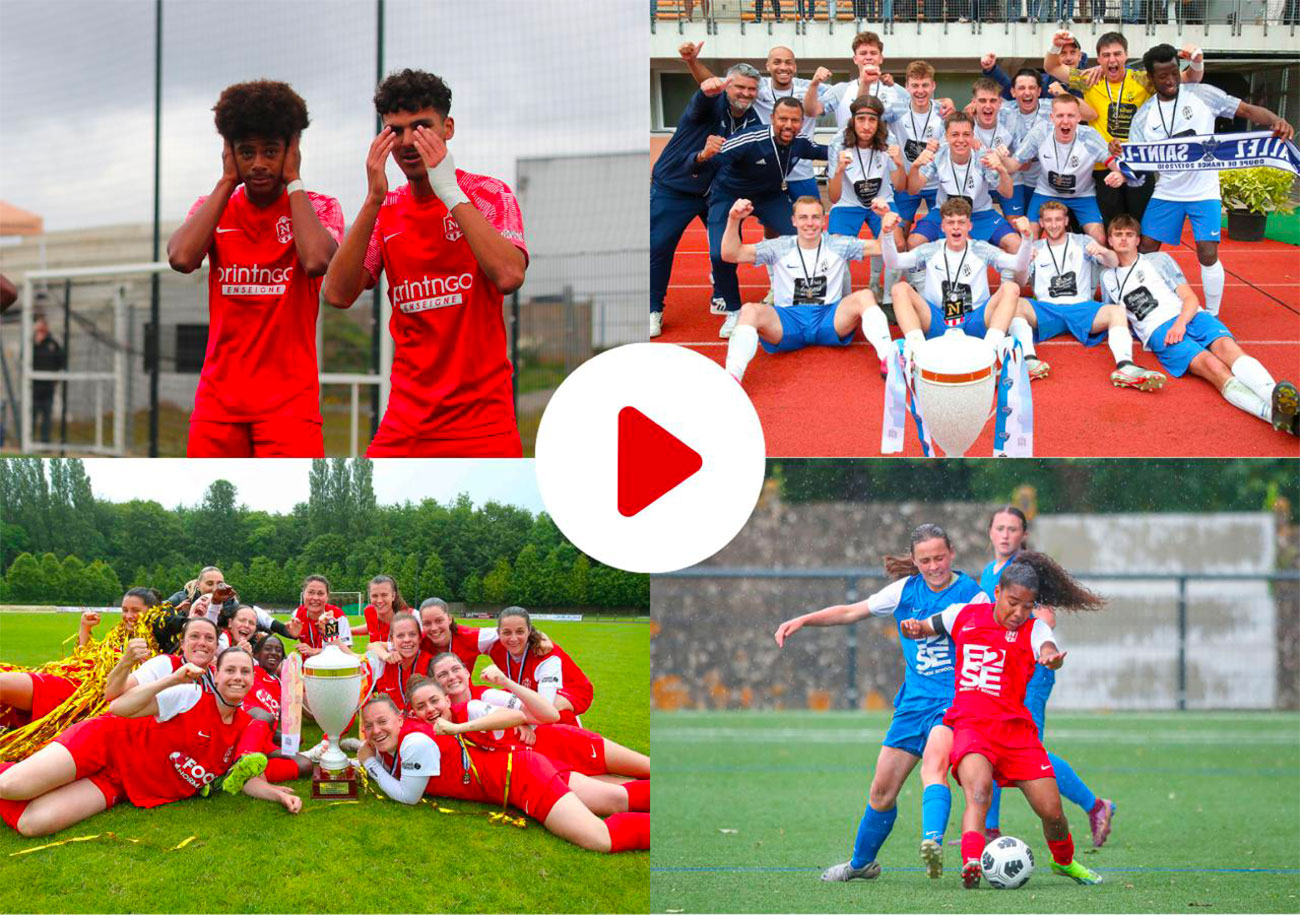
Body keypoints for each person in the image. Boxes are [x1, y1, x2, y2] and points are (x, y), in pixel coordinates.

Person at [322, 69, 528, 458]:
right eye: (394, 130)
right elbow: (336, 294)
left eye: (421, 127)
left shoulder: (487, 194)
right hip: (405, 423)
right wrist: (372, 200)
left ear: (447, 127)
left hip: (482, 424)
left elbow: (508, 274)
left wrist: (448, 190)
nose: (407, 142)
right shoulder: (387, 210)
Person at [773, 523, 987, 882]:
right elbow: (849, 612)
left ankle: (932, 841)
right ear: (915, 561)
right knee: (881, 791)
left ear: (952, 553)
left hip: (953, 704)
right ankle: (861, 864)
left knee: (933, 763)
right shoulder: (905, 590)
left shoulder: (974, 597)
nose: (934, 566)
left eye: (939, 558)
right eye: (925, 561)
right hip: (912, 705)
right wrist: (804, 620)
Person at [900, 552, 1107, 888]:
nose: (1019, 613)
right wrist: (914, 628)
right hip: (970, 726)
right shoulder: (963, 615)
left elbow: (1046, 645)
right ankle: (971, 862)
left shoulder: (1033, 628)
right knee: (979, 792)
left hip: (1016, 734)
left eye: (1027, 606)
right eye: (1013, 602)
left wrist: (1050, 658)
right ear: (997, 593)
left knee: (1052, 813)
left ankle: (1064, 862)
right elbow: (927, 626)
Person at [166, 80, 343, 458]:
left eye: (271, 151)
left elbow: (316, 262)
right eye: (246, 152)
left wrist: (294, 179)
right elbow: (181, 257)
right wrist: (227, 180)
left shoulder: (320, 207)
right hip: (218, 407)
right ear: (230, 153)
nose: (259, 163)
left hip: (290, 408)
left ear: (291, 151)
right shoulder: (213, 206)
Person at [0, 647, 299, 837]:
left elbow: (247, 780)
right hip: (104, 741)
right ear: (215, 675)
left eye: (245, 671)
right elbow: (118, 708)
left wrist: (278, 796)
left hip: (121, 782)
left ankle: (20, 771)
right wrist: (172, 680)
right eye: (230, 670)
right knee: (10, 787)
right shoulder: (190, 695)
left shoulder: (247, 725)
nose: (238, 677)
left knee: (33, 823)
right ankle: (15, 773)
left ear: (252, 679)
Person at [978, 508, 1117, 848]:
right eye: (1000, 528)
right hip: (1002, 672)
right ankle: (989, 829)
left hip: (1032, 675)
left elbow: (1046, 619)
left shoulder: (1026, 572)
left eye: (1013, 529)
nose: (1006, 534)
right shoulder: (989, 572)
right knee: (989, 743)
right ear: (990, 533)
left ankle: (1096, 805)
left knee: (1029, 753)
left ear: (1023, 534)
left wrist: (1040, 648)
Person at [357, 695, 650, 852]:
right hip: (518, 769)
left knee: (598, 838)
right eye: (368, 726)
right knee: (615, 798)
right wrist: (357, 749)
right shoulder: (398, 736)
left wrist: (369, 764)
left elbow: (407, 796)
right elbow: (383, 753)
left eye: (381, 722)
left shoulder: (415, 742)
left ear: (399, 718)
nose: (375, 731)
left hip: (522, 778)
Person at [1129, 43, 1295, 317]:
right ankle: (1153, 303)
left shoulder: (1203, 95)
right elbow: (1136, 164)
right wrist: (1121, 163)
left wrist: (1276, 120)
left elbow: (1247, 111)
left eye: (1174, 72)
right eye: (1162, 76)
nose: (1170, 80)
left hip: (1204, 192)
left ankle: (1213, 313)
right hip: (1167, 192)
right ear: (1151, 77)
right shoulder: (1144, 116)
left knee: (1207, 252)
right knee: (1146, 248)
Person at [1100, 216, 1299, 435]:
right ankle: (1277, 416)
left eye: (1129, 235)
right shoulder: (1107, 277)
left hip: (1191, 316)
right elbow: (1114, 316)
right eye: (1118, 235)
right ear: (1109, 240)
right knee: (1212, 367)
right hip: (1158, 331)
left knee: (1228, 349)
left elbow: (1190, 298)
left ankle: (1275, 396)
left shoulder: (1159, 260)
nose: (1123, 240)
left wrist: (1180, 324)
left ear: (1138, 240)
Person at [690, 97, 829, 338]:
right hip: (729, 196)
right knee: (719, 252)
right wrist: (701, 156)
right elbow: (712, 159)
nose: (789, 124)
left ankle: (789, 293)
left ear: (801, 122)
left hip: (768, 196)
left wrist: (862, 145)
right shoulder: (750, 138)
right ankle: (733, 310)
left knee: (800, 236)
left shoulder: (801, 142)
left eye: (795, 120)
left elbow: (827, 151)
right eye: (783, 119)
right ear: (772, 118)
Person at [719, 195, 890, 384]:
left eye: (815, 217)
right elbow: (730, 254)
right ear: (793, 221)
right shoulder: (779, 246)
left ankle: (888, 359)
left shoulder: (838, 244)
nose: (810, 223)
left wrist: (885, 219)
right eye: (803, 217)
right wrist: (733, 219)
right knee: (750, 310)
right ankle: (732, 376)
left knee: (865, 296)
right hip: (788, 320)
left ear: (823, 220)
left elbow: (881, 247)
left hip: (829, 318)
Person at [652, 51, 763, 337]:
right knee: (658, 248)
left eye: (752, 89)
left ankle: (729, 306)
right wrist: (699, 78)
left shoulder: (752, 121)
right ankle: (653, 308)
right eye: (740, 87)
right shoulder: (710, 105)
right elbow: (703, 97)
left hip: (715, 193)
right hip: (675, 186)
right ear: (728, 87)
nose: (746, 93)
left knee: (723, 251)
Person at [1042, 31, 1204, 224]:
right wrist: (1055, 46)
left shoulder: (1143, 79)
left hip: (1138, 163)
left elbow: (1190, 78)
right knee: (1112, 226)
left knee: (1140, 224)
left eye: (1117, 54)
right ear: (1099, 59)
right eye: (1106, 55)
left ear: (1126, 55)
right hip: (1104, 165)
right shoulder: (1090, 79)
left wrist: (1197, 60)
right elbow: (1051, 66)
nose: (1112, 60)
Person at [1011, 200, 1166, 390]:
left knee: (1116, 312)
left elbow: (1113, 262)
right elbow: (1019, 281)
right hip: (1047, 308)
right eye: (1048, 220)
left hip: (1081, 307)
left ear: (1066, 220)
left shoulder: (1083, 241)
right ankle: (1028, 360)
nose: (1053, 225)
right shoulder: (1034, 247)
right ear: (1041, 223)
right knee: (1014, 304)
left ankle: (1126, 367)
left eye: (1058, 219)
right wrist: (1024, 261)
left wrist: (1102, 251)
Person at [421, 663, 650, 782]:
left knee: (648, 768)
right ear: (435, 683)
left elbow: (546, 715)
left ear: (466, 672)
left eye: (456, 669)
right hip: (549, 768)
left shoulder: (487, 695)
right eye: (442, 675)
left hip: (565, 743)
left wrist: (516, 715)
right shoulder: (439, 716)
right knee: (632, 787)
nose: (451, 677)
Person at [881, 200, 1031, 354]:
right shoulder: (930, 250)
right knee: (900, 289)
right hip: (938, 317)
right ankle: (918, 351)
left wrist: (1026, 238)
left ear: (970, 226)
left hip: (975, 318)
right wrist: (887, 234)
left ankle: (990, 350)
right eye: (950, 222)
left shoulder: (982, 249)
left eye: (961, 222)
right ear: (942, 226)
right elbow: (894, 262)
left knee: (1011, 288)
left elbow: (1019, 264)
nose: (956, 227)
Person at [1, 589, 157, 731]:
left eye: (135, 610)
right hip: (67, 677)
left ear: (152, 612)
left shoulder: (153, 647)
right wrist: (85, 628)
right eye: (124, 610)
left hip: (72, 693)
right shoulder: (118, 637)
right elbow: (83, 660)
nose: (128, 616)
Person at [1002, 94, 1127, 245]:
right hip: (1046, 192)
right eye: (1060, 115)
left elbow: (1117, 166)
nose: (1065, 121)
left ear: (1079, 118)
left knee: (1099, 239)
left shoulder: (1089, 136)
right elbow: (1013, 165)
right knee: (1029, 238)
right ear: (1051, 117)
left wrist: (1120, 175)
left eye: (1071, 116)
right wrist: (999, 158)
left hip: (1082, 195)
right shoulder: (1040, 133)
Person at [905, 113, 1020, 266]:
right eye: (955, 135)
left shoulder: (983, 157)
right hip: (943, 214)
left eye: (966, 134)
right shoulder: (938, 155)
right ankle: (924, 285)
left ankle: (1011, 288)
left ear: (973, 135)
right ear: (946, 136)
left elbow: (1008, 193)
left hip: (980, 214)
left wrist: (1001, 169)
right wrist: (915, 167)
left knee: (1016, 244)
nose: (960, 140)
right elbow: (913, 190)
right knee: (913, 243)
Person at [486, 607, 593, 726]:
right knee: (495, 700)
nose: (513, 638)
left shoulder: (544, 652)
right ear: (498, 632)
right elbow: (466, 634)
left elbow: (545, 707)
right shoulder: (492, 640)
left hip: (573, 690)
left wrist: (520, 723)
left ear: (529, 630)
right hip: (536, 688)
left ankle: (577, 732)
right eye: (506, 632)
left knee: (548, 710)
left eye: (520, 632)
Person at [104, 616, 222, 702]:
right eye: (194, 636)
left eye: (209, 638)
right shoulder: (164, 664)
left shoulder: (218, 677)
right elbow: (112, 694)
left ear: (216, 646)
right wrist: (126, 662)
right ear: (182, 644)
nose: (202, 643)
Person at [364, 612, 434, 711]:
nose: (406, 639)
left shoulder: (431, 664)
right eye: (400, 636)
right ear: (392, 640)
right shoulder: (384, 663)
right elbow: (362, 689)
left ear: (419, 638)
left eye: (412, 634)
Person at [417, 597, 503, 666]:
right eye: (427, 623)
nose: (434, 628)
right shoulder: (418, 642)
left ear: (449, 619)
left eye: (439, 621)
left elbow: (503, 631)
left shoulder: (470, 637)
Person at [288, 575, 352, 657]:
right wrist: (292, 635)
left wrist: (316, 651)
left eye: (320, 593)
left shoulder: (337, 616)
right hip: (308, 667)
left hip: (332, 667)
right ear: (303, 594)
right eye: (310, 592)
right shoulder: (297, 614)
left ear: (327, 596)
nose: (315, 597)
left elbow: (347, 653)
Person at [30, 316, 64, 445]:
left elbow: (61, 361)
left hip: (48, 386)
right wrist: (36, 342)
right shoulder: (31, 343)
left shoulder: (53, 343)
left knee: (47, 415)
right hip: (33, 385)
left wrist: (56, 378)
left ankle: (45, 442)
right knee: (32, 413)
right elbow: (24, 358)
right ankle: (30, 440)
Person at [352, 574, 409, 642]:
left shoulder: (404, 616)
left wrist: (375, 647)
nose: (379, 600)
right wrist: (347, 630)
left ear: (393, 596)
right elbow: (372, 628)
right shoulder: (369, 611)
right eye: (374, 596)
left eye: (384, 595)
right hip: (374, 652)